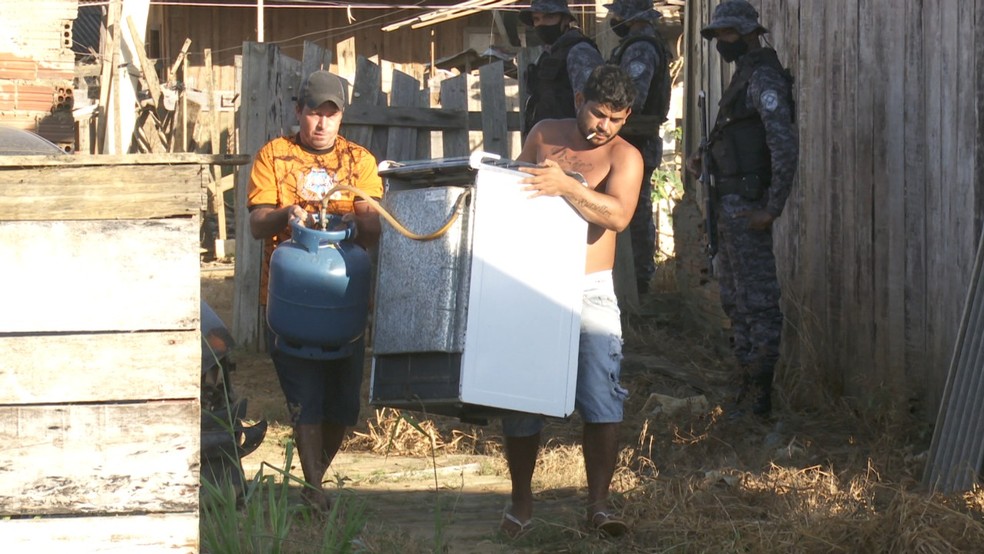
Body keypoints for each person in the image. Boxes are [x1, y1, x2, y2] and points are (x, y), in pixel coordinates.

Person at [500, 64, 643, 539]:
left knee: (602, 397)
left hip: (590, 285)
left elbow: (620, 216)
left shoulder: (626, 157)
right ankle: (521, 503)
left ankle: (599, 505)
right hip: (534, 281)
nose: (604, 127)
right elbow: (513, 192)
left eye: (616, 120)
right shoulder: (545, 134)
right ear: (579, 97)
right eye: (599, 114)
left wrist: (568, 187)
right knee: (522, 397)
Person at [246, 70, 382, 511]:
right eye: (313, 113)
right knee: (306, 397)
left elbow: (372, 229)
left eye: (331, 114)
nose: (321, 123)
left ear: (341, 116)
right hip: (292, 299)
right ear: (298, 112)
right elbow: (255, 223)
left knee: (342, 407)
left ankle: (313, 481)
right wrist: (288, 215)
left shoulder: (358, 160)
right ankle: (316, 489)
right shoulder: (275, 156)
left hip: (342, 298)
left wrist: (361, 217)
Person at [689, 0, 797, 418]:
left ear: (751, 33)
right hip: (729, 202)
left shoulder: (764, 76)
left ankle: (760, 397)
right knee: (735, 298)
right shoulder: (746, 75)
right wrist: (703, 154)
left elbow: (782, 145)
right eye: (718, 35)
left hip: (748, 204)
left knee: (758, 301)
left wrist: (772, 207)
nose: (721, 42)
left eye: (728, 34)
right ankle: (745, 388)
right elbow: (736, 132)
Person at [605, 0, 673, 295]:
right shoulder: (640, 43)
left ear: (628, 15)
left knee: (634, 213)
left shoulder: (640, 48)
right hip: (635, 141)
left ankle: (639, 283)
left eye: (616, 13)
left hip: (636, 141)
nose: (613, 18)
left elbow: (632, 99)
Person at [519, 0, 604, 138]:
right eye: (536, 19)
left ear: (565, 19)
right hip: (547, 142)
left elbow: (593, 104)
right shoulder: (547, 54)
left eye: (549, 17)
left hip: (571, 145)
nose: (542, 24)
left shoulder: (579, 51)